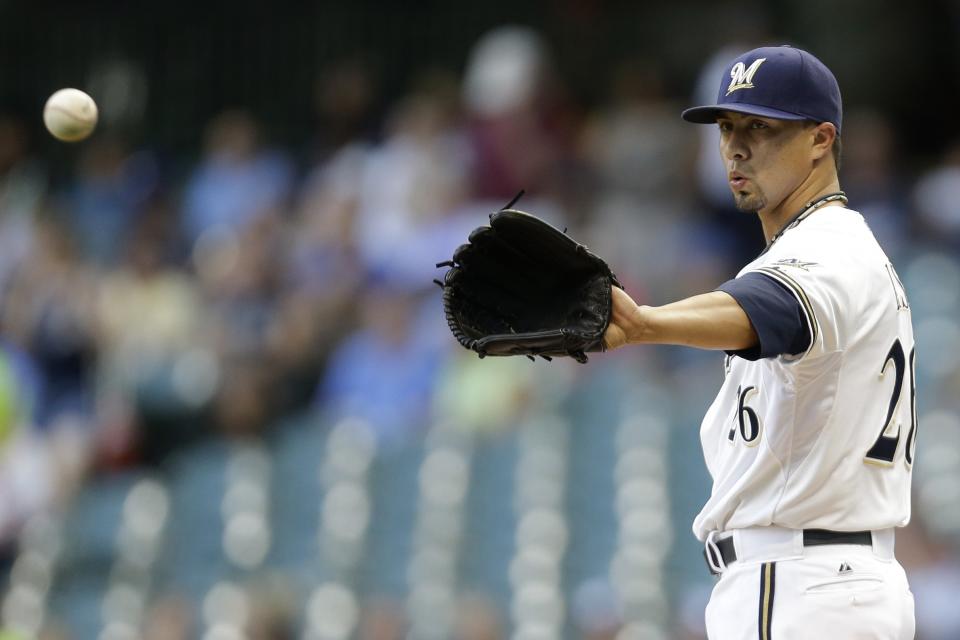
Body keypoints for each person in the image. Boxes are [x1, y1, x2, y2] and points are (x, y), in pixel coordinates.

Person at [603, 45, 916, 639]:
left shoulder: (828, 247)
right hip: (831, 581)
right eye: (726, 128)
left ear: (822, 140)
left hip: (800, 583)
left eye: (761, 128)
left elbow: (769, 310)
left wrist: (644, 324)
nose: (735, 148)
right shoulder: (832, 246)